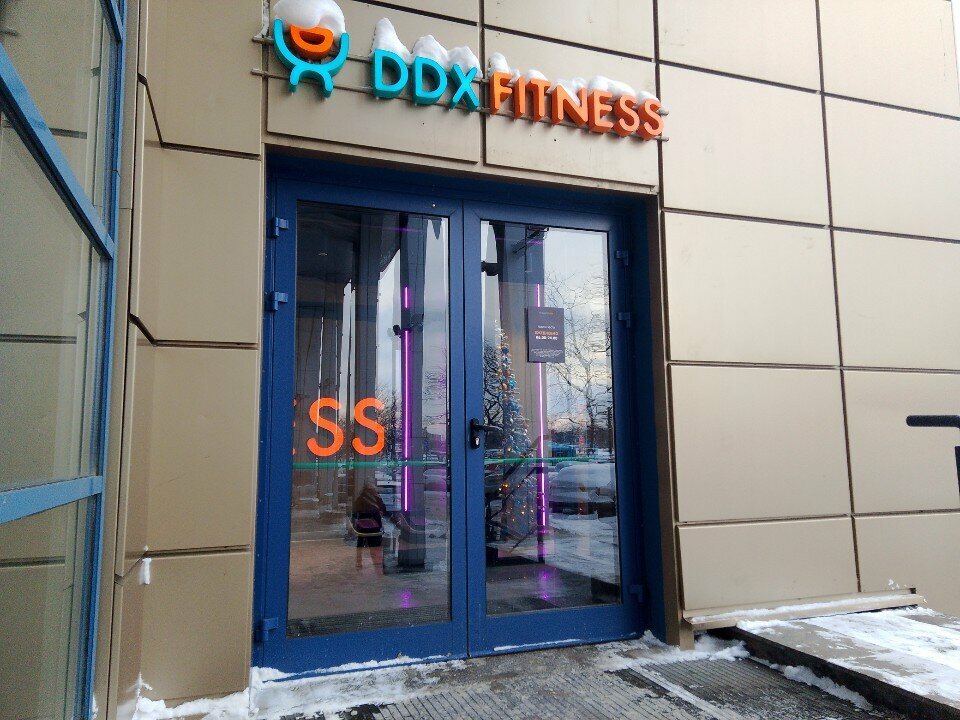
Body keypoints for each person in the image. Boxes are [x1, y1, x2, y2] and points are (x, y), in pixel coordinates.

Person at [351, 482, 387, 573]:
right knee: (375, 547)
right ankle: (379, 565)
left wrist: (355, 521)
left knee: (361, 545)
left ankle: (359, 563)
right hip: (374, 528)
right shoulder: (376, 498)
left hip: (363, 528)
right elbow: (384, 509)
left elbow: (355, 511)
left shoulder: (361, 498)